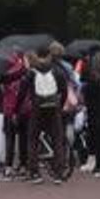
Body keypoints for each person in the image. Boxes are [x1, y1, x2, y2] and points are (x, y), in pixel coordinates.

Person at [23, 49, 70, 185]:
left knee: (32, 140)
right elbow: (64, 90)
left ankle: (35, 173)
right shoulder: (57, 71)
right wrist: (59, 106)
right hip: (53, 108)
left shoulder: (31, 72)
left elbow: (23, 90)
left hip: (37, 109)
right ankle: (58, 174)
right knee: (57, 139)